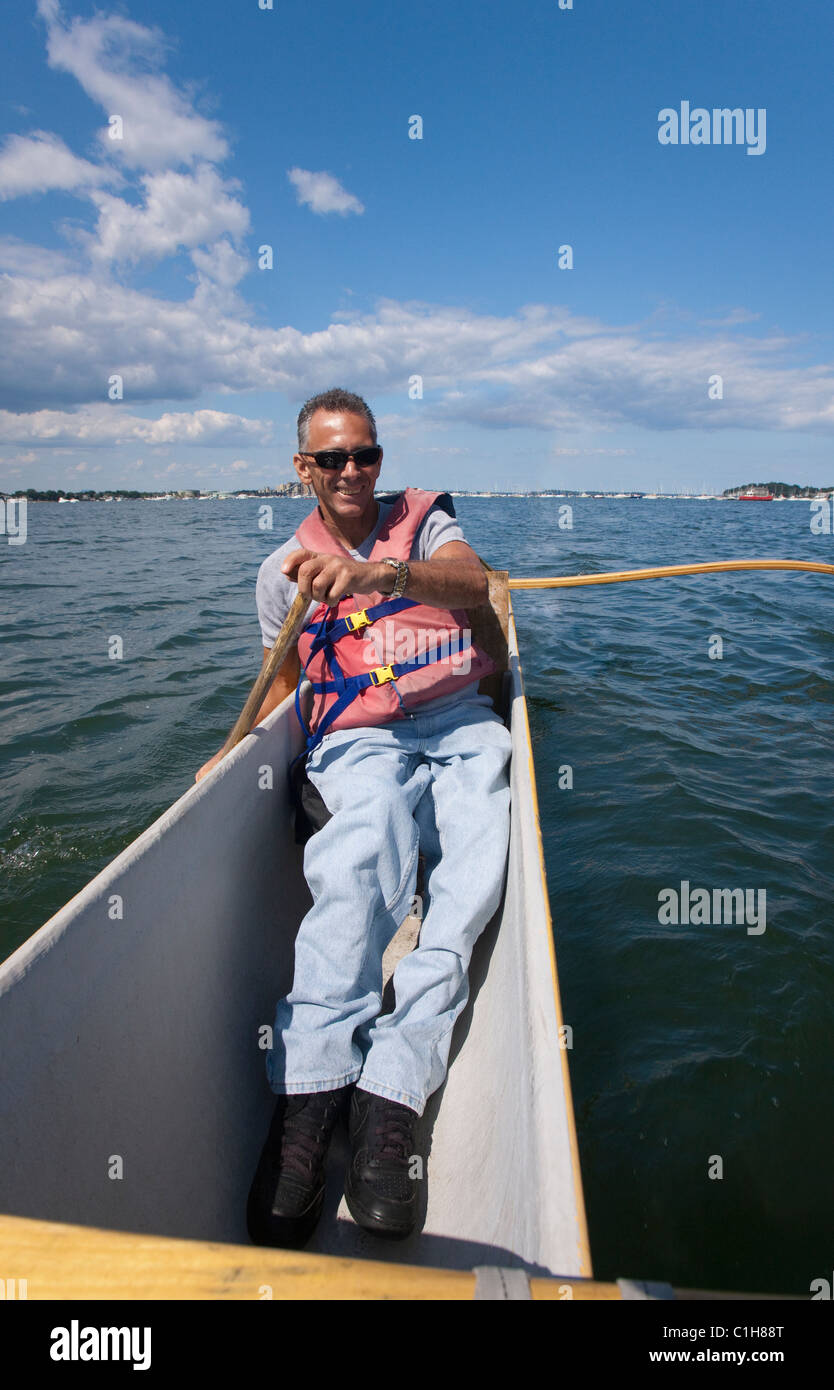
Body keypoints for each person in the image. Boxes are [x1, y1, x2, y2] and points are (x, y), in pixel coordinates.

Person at [196, 387, 512, 1247]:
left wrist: (385, 574)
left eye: (364, 454)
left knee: (473, 875)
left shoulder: (425, 521)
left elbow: (475, 582)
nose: (351, 472)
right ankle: (309, 1096)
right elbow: (288, 684)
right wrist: (231, 752)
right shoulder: (280, 574)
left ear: (380, 457)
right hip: (359, 740)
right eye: (331, 458)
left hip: (456, 720)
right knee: (359, 858)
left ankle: (391, 1095)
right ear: (303, 468)